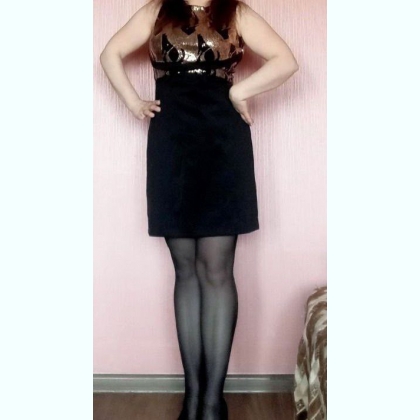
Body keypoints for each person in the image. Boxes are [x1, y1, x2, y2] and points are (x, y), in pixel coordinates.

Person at [100, 0, 298, 418]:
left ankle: (211, 402)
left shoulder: (235, 12)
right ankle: (193, 398)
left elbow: (286, 61)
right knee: (185, 270)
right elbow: (110, 53)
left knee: (217, 270)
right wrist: (134, 102)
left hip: (223, 142)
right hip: (171, 144)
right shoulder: (157, 10)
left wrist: (240, 91)